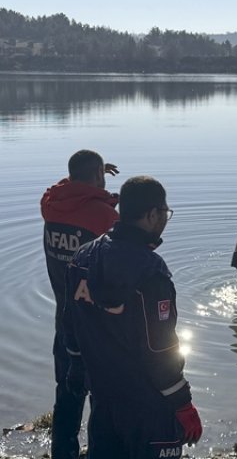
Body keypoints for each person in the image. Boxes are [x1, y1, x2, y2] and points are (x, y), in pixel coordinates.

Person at [64, 176, 202, 458]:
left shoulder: (82, 259)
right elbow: (160, 349)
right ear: (152, 214)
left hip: (103, 398)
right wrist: (183, 404)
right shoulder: (152, 272)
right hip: (148, 406)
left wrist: (76, 369)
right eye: (165, 213)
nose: (165, 219)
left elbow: (70, 325)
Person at [40, 149, 120, 459]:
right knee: (104, 396)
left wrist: (88, 181)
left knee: (68, 393)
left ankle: (63, 453)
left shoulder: (51, 206)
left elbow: (59, 189)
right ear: (99, 174)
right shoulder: (104, 216)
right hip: (99, 325)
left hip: (64, 319)